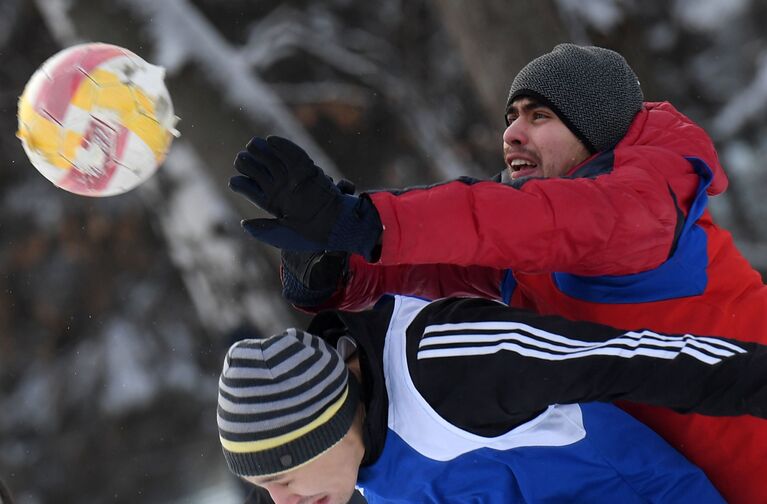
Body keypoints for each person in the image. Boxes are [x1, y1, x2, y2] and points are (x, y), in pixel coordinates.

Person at [228, 43, 767, 502]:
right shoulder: (529, 244)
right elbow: (437, 261)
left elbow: (517, 221)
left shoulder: (642, 208)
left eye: (539, 116)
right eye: (510, 116)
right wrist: (338, 265)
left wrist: (366, 222)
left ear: (598, 133)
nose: (511, 133)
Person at [217, 294, 767, 503]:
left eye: (281, 479)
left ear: (325, 427)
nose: (280, 503)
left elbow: (624, 357)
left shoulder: (445, 365)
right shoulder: (360, 459)